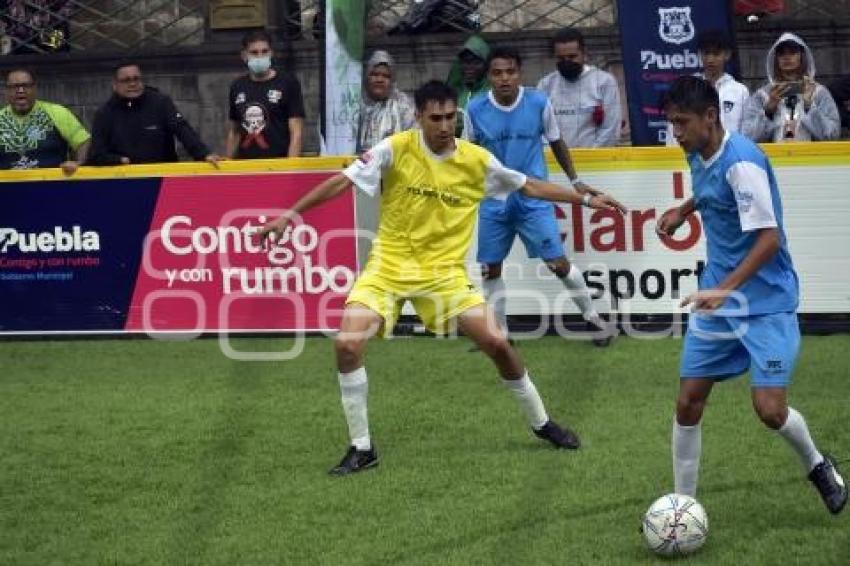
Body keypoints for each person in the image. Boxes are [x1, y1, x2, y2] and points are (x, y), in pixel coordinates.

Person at [260, 80, 626, 475]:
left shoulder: (476, 161)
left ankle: (543, 424)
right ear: (418, 117)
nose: (444, 125)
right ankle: (362, 448)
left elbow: (531, 185)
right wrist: (288, 216)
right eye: (435, 118)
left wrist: (587, 199)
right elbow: (342, 181)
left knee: (499, 344)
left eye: (450, 117)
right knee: (347, 345)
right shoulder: (395, 148)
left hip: (444, 275)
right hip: (388, 268)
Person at [658, 76, 847, 515]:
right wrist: (683, 210)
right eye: (671, 124)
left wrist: (723, 290)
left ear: (711, 117)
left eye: (682, 123)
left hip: (764, 303)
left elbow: (769, 240)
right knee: (688, 401)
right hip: (721, 299)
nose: (677, 133)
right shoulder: (699, 151)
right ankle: (683, 507)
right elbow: (711, 193)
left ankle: (818, 466)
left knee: (769, 410)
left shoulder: (742, 161)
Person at [463, 47, 615, 346]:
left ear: (519, 73)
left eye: (510, 72)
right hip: (494, 200)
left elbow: (556, 142)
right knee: (490, 268)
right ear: (490, 77)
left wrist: (575, 180)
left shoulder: (538, 102)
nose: (504, 78)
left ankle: (593, 319)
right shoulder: (475, 109)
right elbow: (469, 155)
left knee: (557, 264)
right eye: (497, 73)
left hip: (534, 199)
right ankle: (502, 335)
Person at [87, 62, 220, 166]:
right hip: (123, 178)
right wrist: (119, 160)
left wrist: (203, 154)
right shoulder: (105, 113)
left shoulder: (160, 102)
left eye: (136, 79)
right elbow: (96, 154)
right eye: (126, 80)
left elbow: (182, 129)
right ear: (115, 85)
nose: (132, 83)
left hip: (162, 178)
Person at [742, 32, 840, 142]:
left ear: (802, 57)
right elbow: (747, 137)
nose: (787, 57)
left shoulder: (818, 93)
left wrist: (809, 107)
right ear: (775, 59)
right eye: (781, 53)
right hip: (775, 157)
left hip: (812, 157)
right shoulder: (763, 95)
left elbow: (833, 134)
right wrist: (768, 111)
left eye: (792, 52)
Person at [536, 27, 621, 148]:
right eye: (561, 58)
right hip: (556, 161)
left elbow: (611, 128)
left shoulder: (604, 82)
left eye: (572, 57)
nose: (567, 62)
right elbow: (539, 128)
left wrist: (589, 156)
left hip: (596, 161)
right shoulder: (545, 85)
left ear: (584, 54)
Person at [226, 30, 305, 159]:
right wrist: (228, 168)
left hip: (278, 163)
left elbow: (296, 132)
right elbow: (234, 132)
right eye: (254, 53)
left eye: (264, 51)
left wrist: (290, 168)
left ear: (271, 53)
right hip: (246, 165)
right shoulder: (237, 86)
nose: (260, 56)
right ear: (244, 55)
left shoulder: (287, 83)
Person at [665, 30, 749, 146]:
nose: (710, 59)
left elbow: (746, 131)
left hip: (729, 156)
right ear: (699, 54)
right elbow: (674, 125)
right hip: (693, 155)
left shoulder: (740, 91)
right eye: (706, 53)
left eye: (716, 54)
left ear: (727, 55)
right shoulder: (687, 87)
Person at [0, 68, 89, 173]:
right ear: (6, 91)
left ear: (35, 88)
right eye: (15, 86)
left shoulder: (58, 112)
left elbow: (84, 143)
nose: (21, 90)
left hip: (52, 186)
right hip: (8, 187)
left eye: (26, 85)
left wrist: (79, 163)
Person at [356, 50, 415, 153]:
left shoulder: (404, 106)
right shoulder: (354, 105)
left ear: (392, 80)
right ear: (366, 77)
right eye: (375, 74)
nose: (380, 79)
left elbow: (414, 142)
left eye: (385, 76)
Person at [446, 35, 490, 136]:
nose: (469, 67)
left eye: (476, 62)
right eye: (465, 62)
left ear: (486, 65)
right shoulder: (455, 92)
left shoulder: (491, 94)